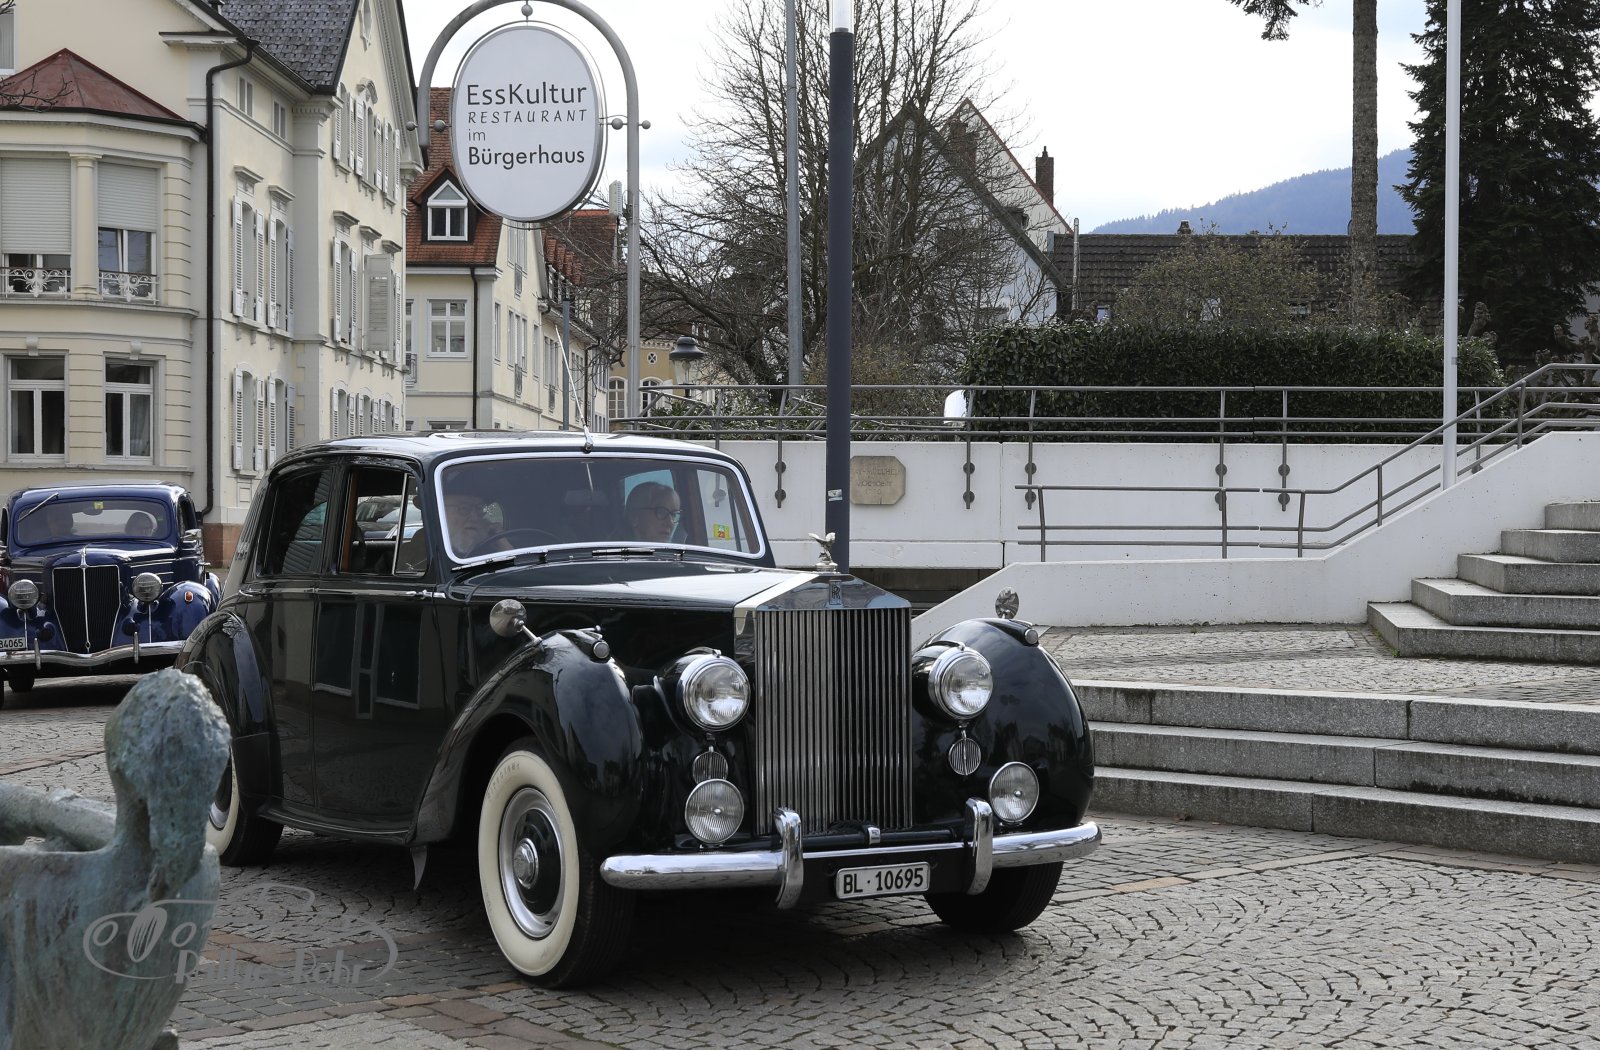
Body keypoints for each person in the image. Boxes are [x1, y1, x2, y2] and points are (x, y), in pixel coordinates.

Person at [443, 490, 511, 556]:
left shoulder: (492, 549)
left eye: (479, 508)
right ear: (443, 512)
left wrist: (502, 542)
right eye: (464, 508)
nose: (475, 517)